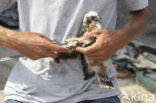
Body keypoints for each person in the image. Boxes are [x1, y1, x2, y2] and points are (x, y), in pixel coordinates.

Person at [0, 0, 150, 103]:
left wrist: (118, 39)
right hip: (30, 93)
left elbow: (142, 14)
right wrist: (14, 39)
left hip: (98, 89)